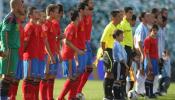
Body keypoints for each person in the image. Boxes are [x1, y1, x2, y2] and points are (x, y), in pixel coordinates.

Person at [0, 0, 24, 99]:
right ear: (17, 6)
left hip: (14, 50)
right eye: (21, 5)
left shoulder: (15, 18)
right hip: (10, 49)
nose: (23, 7)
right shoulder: (10, 18)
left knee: (9, 77)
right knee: (7, 77)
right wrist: (5, 48)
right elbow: (3, 31)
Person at [58, 10, 84, 100]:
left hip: (71, 56)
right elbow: (67, 41)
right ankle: (61, 98)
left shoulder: (74, 27)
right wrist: (78, 51)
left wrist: (75, 57)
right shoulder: (71, 27)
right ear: (77, 17)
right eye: (80, 16)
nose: (81, 17)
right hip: (67, 56)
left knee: (75, 78)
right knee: (72, 78)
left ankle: (71, 97)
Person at [100, 9, 122, 100]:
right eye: (119, 16)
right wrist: (105, 52)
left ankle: (110, 94)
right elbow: (102, 41)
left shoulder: (118, 27)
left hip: (114, 52)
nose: (121, 18)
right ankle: (106, 95)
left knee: (112, 73)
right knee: (108, 72)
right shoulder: (109, 27)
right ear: (113, 18)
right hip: (109, 51)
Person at [41, 4, 60, 100]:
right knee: (45, 76)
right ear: (51, 12)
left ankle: (49, 97)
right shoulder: (45, 24)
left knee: (51, 76)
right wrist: (50, 55)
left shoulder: (52, 24)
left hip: (53, 53)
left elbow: (54, 41)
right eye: (56, 11)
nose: (58, 13)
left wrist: (58, 53)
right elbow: (45, 42)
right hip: (46, 54)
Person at [76, 0, 94, 98]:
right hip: (82, 44)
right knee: (81, 70)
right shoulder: (80, 17)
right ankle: (76, 91)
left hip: (88, 43)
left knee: (89, 69)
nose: (93, 3)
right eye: (91, 2)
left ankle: (78, 90)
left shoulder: (89, 15)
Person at [22, 6, 40, 99]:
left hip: (35, 56)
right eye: (36, 12)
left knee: (32, 79)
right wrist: (22, 54)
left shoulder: (36, 26)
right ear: (30, 16)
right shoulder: (29, 26)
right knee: (28, 78)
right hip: (29, 56)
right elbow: (25, 41)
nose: (38, 14)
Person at [112, 29, 129, 99]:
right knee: (117, 80)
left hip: (120, 64)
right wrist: (126, 65)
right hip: (118, 64)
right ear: (117, 36)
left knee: (119, 80)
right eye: (122, 36)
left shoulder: (118, 44)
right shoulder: (116, 44)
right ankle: (117, 97)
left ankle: (118, 96)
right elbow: (120, 58)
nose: (123, 37)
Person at [144, 24, 159, 98]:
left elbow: (156, 50)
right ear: (151, 31)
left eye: (156, 30)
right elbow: (146, 52)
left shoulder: (156, 39)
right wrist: (149, 62)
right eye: (154, 30)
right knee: (149, 76)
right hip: (150, 60)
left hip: (155, 60)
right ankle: (147, 94)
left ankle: (151, 92)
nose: (155, 32)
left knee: (152, 76)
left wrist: (157, 59)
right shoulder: (148, 39)